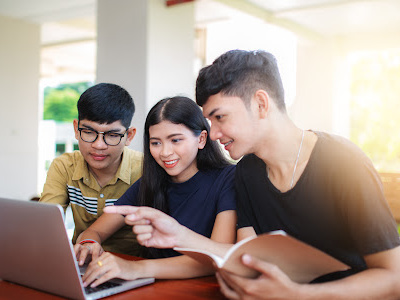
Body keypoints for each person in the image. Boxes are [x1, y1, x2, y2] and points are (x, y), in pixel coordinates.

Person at [106, 49, 400, 299]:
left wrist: (299, 295)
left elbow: (394, 279)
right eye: (209, 121)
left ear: (261, 103)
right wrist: (178, 235)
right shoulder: (247, 171)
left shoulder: (343, 162)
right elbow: (245, 260)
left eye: (220, 117)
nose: (214, 133)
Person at [74, 96, 237, 288]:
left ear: (201, 139)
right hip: (153, 288)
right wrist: (89, 243)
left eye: (175, 140)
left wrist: (136, 269)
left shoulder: (228, 179)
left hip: (203, 290)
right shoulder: (150, 182)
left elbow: (215, 258)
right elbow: (94, 231)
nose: (165, 152)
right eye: (156, 143)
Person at [40, 83, 143, 256]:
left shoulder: (145, 170)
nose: (98, 145)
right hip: (81, 261)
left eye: (112, 135)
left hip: (132, 264)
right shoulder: (64, 167)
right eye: (88, 132)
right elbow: (44, 225)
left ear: (129, 136)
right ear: (76, 129)